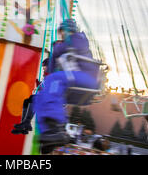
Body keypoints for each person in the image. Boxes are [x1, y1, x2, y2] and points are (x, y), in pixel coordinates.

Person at [33, 19, 100, 152]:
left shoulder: (78, 39)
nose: (63, 34)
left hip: (87, 78)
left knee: (54, 79)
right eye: (62, 32)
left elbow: (65, 49)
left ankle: (56, 124)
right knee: (40, 95)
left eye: (64, 31)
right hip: (71, 79)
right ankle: (47, 133)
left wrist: (55, 49)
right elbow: (52, 67)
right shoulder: (62, 46)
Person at [11, 58, 49, 135]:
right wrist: (39, 85)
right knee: (26, 101)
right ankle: (24, 125)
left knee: (34, 98)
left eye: (44, 66)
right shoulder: (45, 75)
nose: (43, 68)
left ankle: (27, 122)